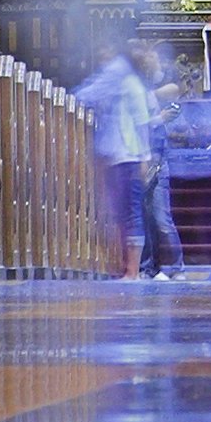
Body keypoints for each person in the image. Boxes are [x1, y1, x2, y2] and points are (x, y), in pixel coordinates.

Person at [76, 47, 154, 276]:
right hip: (114, 156)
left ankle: (133, 272)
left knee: (131, 213)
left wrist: (145, 157)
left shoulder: (129, 82)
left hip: (129, 155)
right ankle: (124, 267)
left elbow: (142, 123)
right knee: (120, 212)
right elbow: (88, 96)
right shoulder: (116, 81)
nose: (104, 63)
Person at [137, 76, 188, 280]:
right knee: (145, 221)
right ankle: (149, 267)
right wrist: (158, 119)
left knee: (162, 220)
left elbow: (173, 88)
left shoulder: (149, 91)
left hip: (157, 161)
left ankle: (177, 267)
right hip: (140, 160)